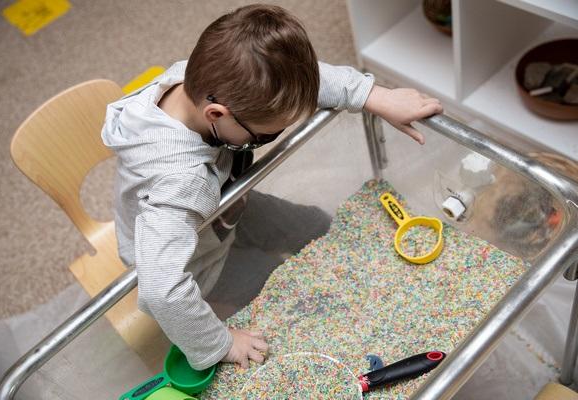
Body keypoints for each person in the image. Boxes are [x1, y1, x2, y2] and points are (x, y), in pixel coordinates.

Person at [101, 3, 443, 372]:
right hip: (197, 259)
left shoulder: (199, 78)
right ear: (217, 115)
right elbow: (161, 290)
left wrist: (375, 96)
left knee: (312, 224)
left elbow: (291, 81)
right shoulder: (178, 181)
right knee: (270, 277)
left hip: (224, 208)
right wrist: (221, 343)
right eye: (267, 134)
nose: (273, 137)